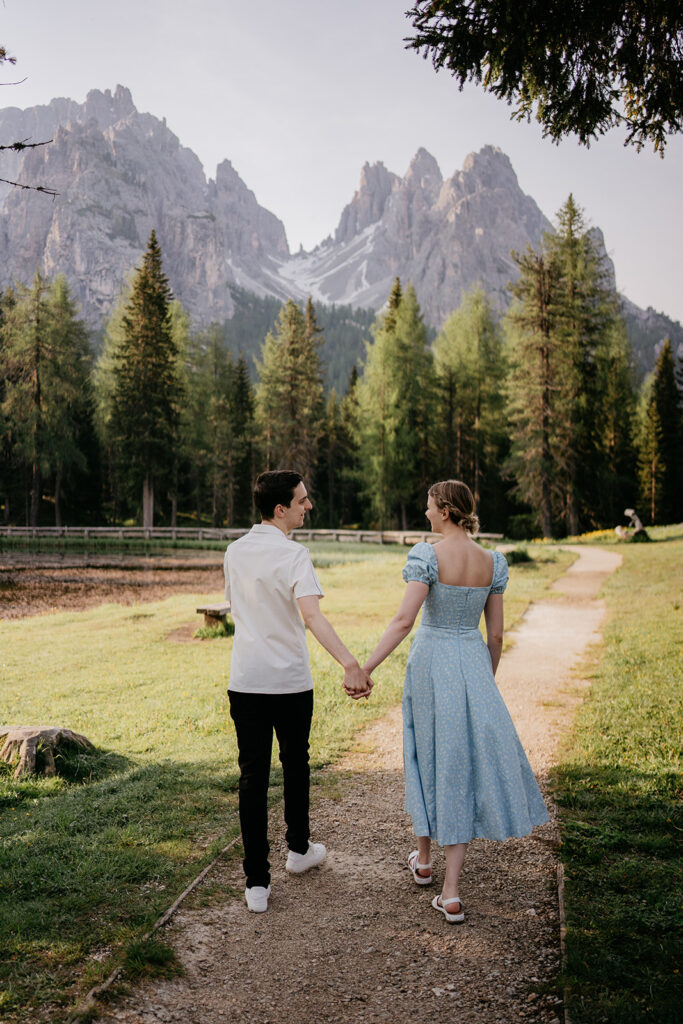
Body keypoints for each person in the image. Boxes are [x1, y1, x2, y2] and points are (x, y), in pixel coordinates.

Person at [363, 480, 549, 923]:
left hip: (431, 664)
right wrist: (484, 682)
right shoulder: (493, 561)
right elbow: (498, 635)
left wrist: (366, 667)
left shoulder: (427, 555)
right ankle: (440, 880)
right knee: (458, 764)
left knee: (428, 755)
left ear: (444, 510)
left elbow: (405, 619)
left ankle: (436, 875)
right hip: (472, 660)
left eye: (429, 504)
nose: (425, 510)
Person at [224, 470, 372, 913]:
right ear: (280, 509)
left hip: (246, 680)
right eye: (303, 501)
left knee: (252, 777)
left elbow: (239, 609)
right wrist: (350, 663)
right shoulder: (295, 555)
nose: (309, 506)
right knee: (295, 764)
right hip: (288, 681)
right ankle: (298, 850)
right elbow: (312, 617)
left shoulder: (234, 552)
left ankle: (257, 883)